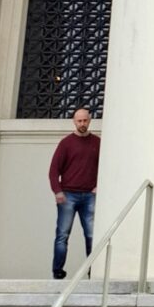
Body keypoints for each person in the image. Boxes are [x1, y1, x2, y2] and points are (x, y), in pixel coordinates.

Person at [48, 106, 100, 279]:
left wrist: (98, 187)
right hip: (68, 195)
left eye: (85, 120)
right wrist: (57, 191)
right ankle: (57, 272)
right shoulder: (66, 143)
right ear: (74, 121)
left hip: (89, 196)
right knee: (62, 235)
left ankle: (93, 271)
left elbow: (106, 167)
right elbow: (54, 170)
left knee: (92, 235)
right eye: (79, 121)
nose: (82, 123)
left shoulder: (97, 143)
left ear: (90, 120)